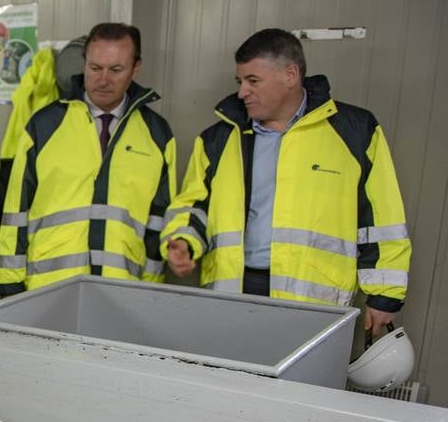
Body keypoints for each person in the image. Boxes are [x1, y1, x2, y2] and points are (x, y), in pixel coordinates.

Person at [163, 28, 411, 334]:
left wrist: (384, 294)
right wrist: (182, 243)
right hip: (233, 291)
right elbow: (193, 205)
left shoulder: (354, 131)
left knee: (299, 383)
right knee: (229, 381)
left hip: (314, 302)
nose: (242, 92)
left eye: (253, 81)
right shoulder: (218, 138)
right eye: (239, 82)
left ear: (290, 75)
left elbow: (381, 216)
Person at [0, 23, 175, 297]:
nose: (103, 80)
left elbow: (158, 220)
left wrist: (150, 294)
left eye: (116, 70)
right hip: (48, 289)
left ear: (136, 68)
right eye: (95, 68)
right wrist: (10, 282)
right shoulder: (44, 126)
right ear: (84, 63)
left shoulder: (157, 134)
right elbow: (16, 209)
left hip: (122, 291)